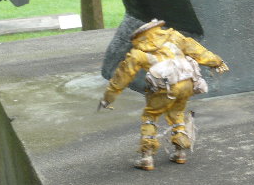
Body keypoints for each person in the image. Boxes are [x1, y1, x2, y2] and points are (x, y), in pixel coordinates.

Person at [98, 19, 229, 170]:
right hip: (187, 83)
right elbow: (197, 50)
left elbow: (122, 77)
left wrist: (108, 98)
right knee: (177, 113)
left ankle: (146, 157)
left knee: (150, 116)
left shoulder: (138, 53)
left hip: (164, 88)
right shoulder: (174, 37)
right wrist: (217, 62)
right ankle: (180, 153)